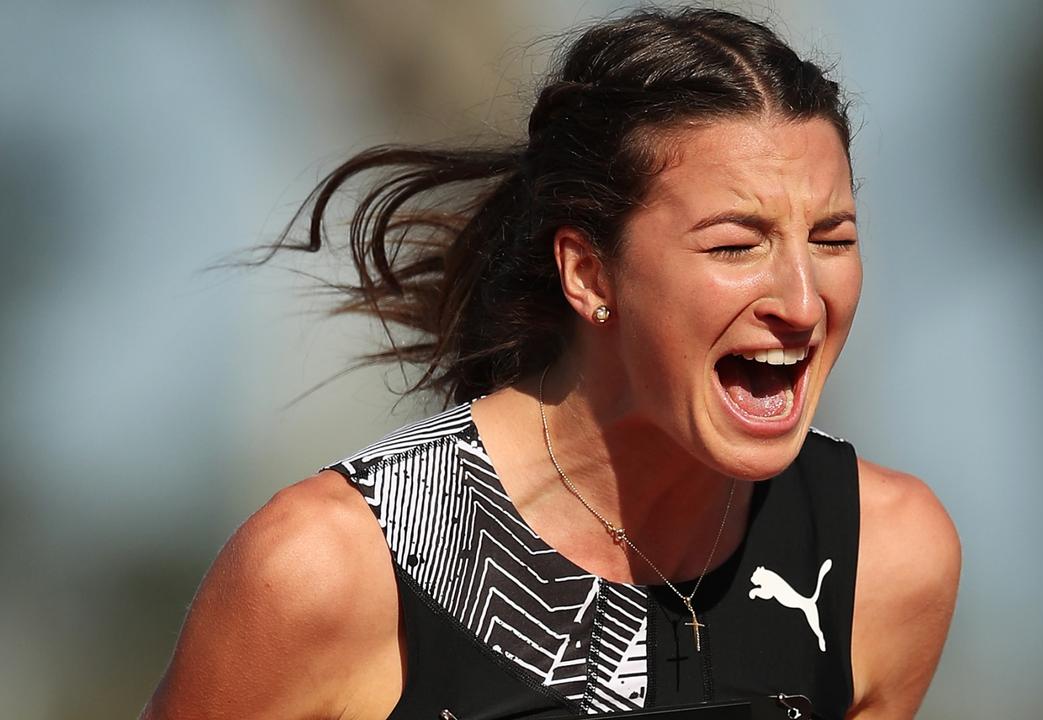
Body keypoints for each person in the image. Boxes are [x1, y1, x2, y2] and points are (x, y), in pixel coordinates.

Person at [142, 8, 959, 720]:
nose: (804, 301)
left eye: (833, 241)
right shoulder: (328, 570)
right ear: (588, 274)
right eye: (735, 245)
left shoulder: (885, 561)